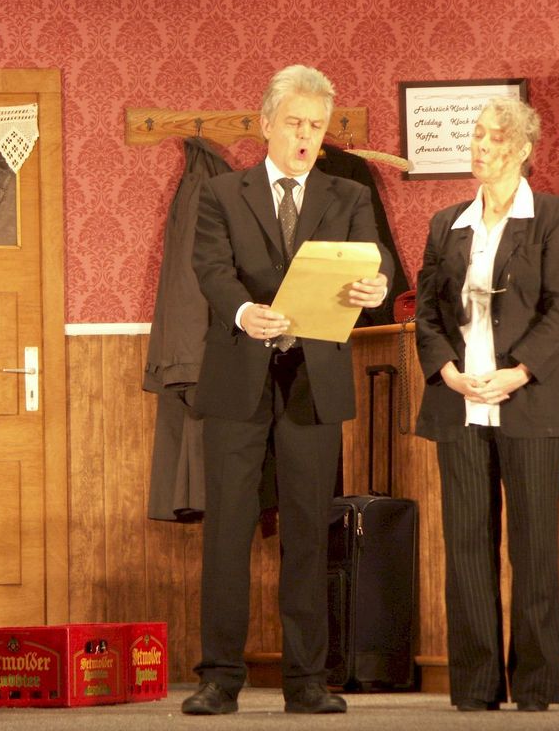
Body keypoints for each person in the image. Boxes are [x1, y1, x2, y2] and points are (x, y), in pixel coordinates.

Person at [182, 65, 392, 716]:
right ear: (267, 123)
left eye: (317, 126)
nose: (305, 136)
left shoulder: (348, 194)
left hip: (313, 382)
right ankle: (220, 678)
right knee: (228, 532)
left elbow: (374, 260)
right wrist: (245, 313)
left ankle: (307, 681)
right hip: (238, 377)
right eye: (295, 123)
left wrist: (377, 287)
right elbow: (211, 268)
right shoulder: (221, 192)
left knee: (308, 533)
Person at [414, 97, 559, 713]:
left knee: (533, 549)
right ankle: (475, 688)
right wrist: (448, 373)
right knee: (466, 550)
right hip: (460, 405)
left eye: (495, 138)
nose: (481, 146)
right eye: (477, 136)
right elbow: (426, 313)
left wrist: (517, 373)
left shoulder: (554, 217)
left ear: (523, 150)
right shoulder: (446, 224)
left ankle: (536, 688)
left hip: (531, 403)